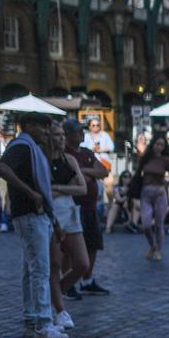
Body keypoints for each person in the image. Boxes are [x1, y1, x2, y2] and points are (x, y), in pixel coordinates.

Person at [0, 115, 64, 338]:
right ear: (28, 127)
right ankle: (43, 323)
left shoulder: (32, 148)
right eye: (42, 126)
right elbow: (2, 168)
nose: (46, 131)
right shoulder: (22, 146)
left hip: (35, 214)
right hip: (30, 214)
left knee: (31, 267)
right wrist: (30, 192)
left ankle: (32, 313)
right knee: (40, 269)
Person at [45, 119, 87, 331]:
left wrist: (59, 188)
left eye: (62, 135)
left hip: (70, 213)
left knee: (82, 264)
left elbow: (83, 189)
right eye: (56, 135)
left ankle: (54, 293)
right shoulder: (42, 160)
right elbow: (45, 192)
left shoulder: (69, 159)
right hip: (51, 214)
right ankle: (60, 310)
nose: (61, 139)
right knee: (55, 264)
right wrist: (66, 188)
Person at [65, 120, 110, 297]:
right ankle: (68, 283)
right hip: (73, 206)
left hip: (90, 206)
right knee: (69, 247)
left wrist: (85, 171)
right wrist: (85, 173)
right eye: (77, 131)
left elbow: (103, 172)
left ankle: (87, 280)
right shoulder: (64, 154)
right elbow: (73, 177)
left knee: (93, 244)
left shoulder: (86, 152)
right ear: (68, 134)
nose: (82, 134)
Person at [138, 135, 169, 261]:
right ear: (152, 145)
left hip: (160, 192)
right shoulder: (146, 158)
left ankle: (158, 250)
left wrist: (165, 187)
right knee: (146, 224)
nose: (159, 147)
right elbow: (138, 174)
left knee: (159, 224)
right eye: (157, 144)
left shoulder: (166, 160)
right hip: (146, 192)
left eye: (162, 145)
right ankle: (152, 246)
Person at [104, 170, 137, 235]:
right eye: (125, 176)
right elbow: (118, 199)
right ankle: (108, 228)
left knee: (132, 203)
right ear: (121, 178)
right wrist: (126, 197)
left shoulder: (133, 188)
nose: (127, 178)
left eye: (129, 177)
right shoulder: (117, 187)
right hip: (120, 208)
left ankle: (131, 222)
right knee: (115, 206)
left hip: (130, 208)